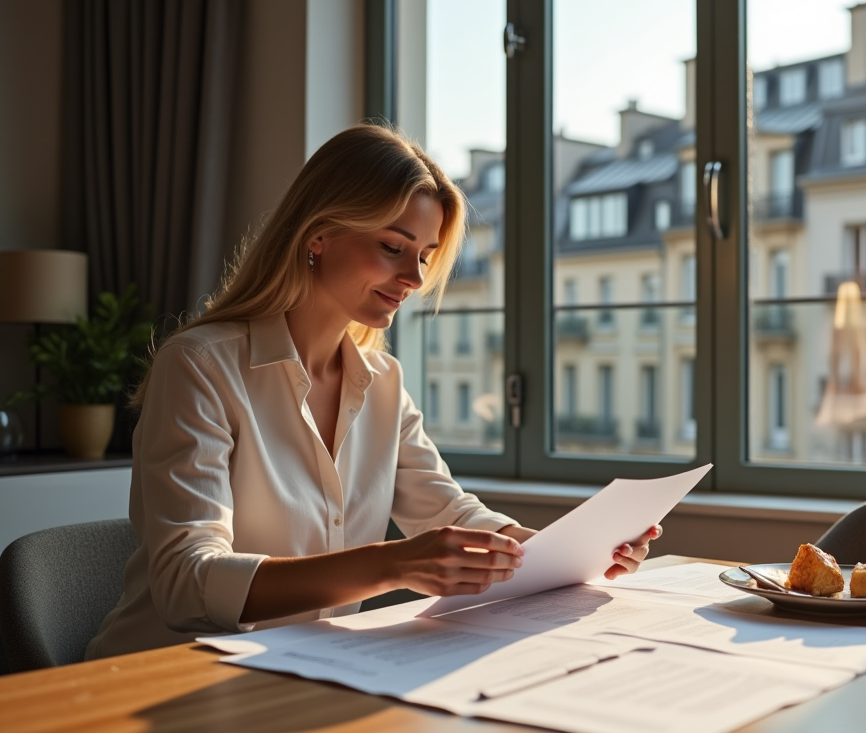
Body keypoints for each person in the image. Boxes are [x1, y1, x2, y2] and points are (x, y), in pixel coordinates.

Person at [87, 124, 660, 659]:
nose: (413, 280)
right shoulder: (200, 366)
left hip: (308, 672)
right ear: (319, 235)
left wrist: (571, 552)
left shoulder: (382, 383)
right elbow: (187, 584)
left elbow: (449, 511)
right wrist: (392, 565)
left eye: (424, 257)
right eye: (393, 247)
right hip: (161, 678)